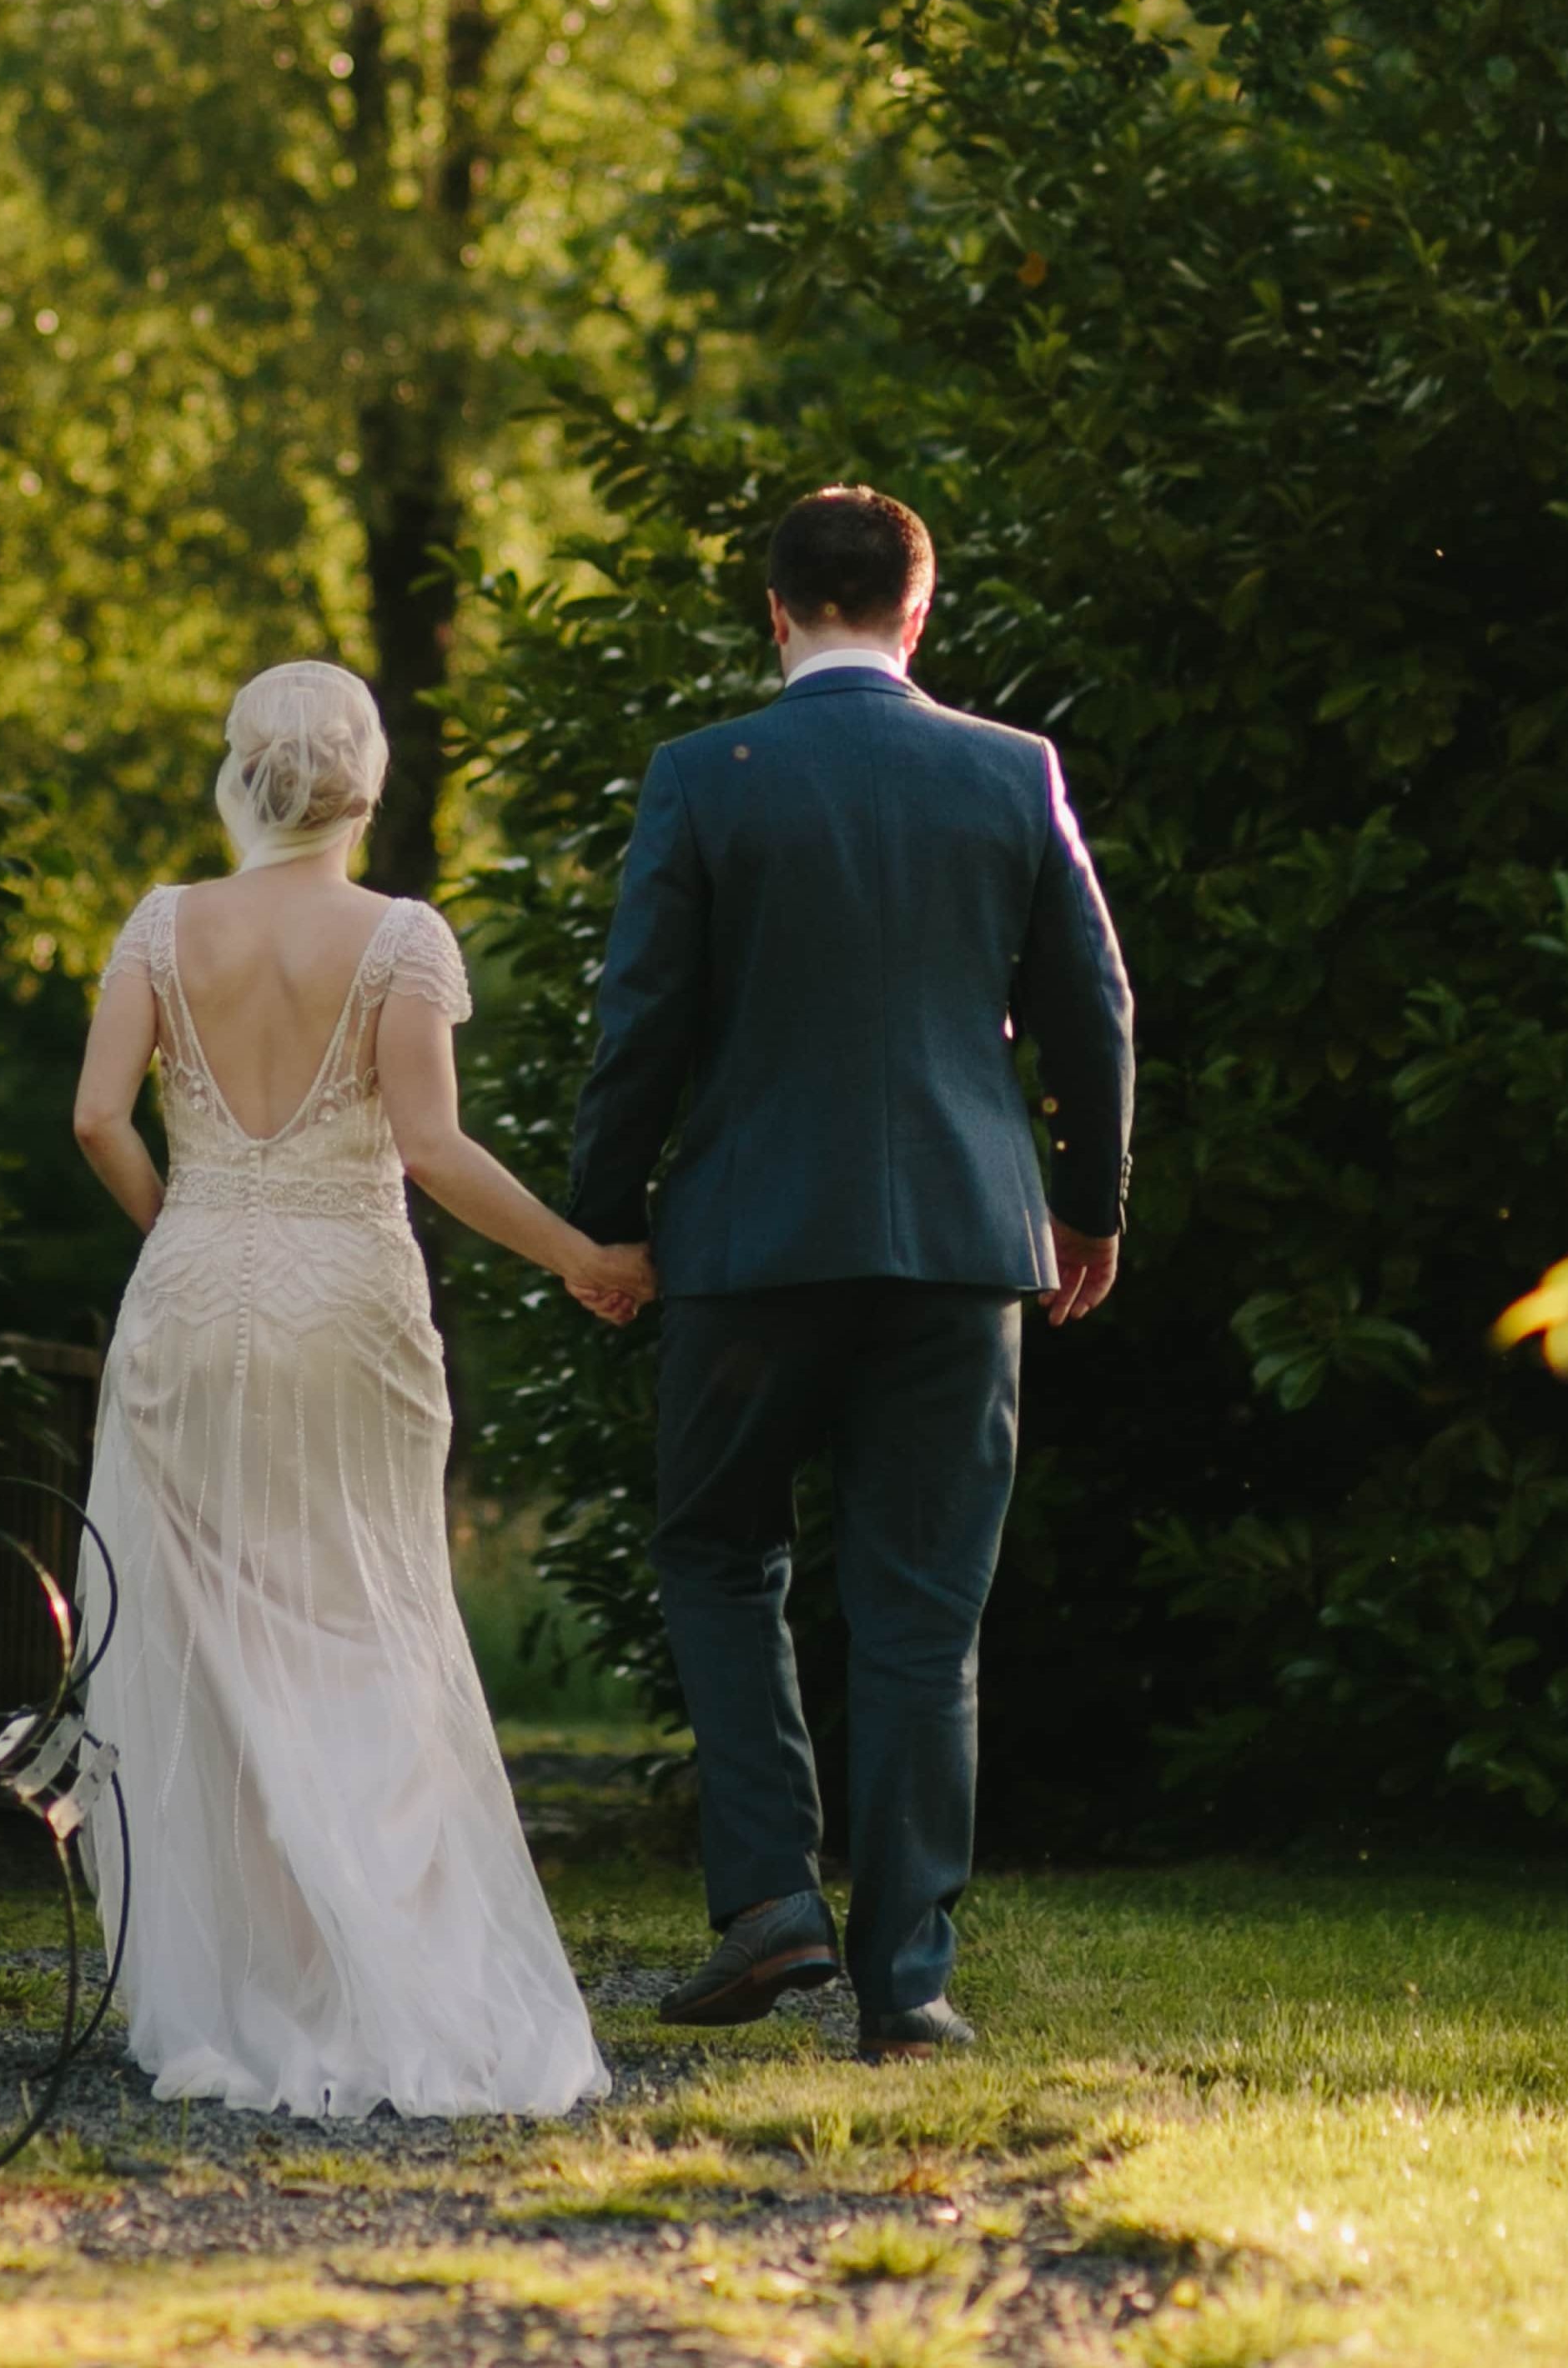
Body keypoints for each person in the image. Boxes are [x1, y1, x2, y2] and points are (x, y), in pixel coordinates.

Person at [565, 485, 1132, 2062]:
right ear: (917, 610)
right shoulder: (1011, 772)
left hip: (748, 1247)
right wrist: (1086, 1206)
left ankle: (767, 1895)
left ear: (774, 610)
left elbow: (644, 1024)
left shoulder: (702, 779)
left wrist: (607, 1219)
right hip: (962, 1251)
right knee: (922, 1609)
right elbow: (1095, 1012)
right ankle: (908, 1986)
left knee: (716, 1549)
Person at [63, 661, 655, 2117]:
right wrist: (586, 1251)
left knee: (211, 1636)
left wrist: (182, 1226)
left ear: (238, 775)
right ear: (364, 780)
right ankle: (378, 1959)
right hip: (351, 1306)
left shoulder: (159, 925)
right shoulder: (399, 936)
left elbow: (93, 1117)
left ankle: (249, 1980)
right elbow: (436, 1152)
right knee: (364, 1616)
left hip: (190, 1298)